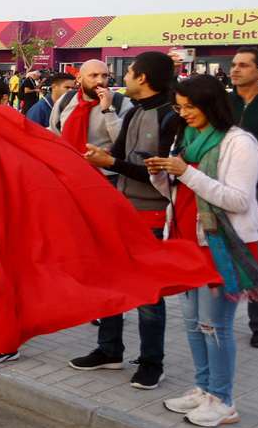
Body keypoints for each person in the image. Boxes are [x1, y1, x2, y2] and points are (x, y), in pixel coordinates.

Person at [147, 75, 258, 427]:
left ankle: (224, 400)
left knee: (217, 326)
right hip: (187, 242)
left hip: (220, 245)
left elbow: (239, 200)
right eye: (179, 107)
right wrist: (161, 174)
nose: (184, 114)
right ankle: (203, 388)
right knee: (193, 323)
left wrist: (185, 172)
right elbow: (178, 192)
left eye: (190, 107)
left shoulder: (239, 143)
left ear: (210, 104)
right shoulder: (190, 139)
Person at [70, 52, 182, 389]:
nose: (123, 77)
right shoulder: (133, 113)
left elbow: (161, 174)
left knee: (148, 292)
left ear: (143, 78)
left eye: (129, 71)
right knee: (111, 282)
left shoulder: (170, 117)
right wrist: (99, 159)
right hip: (120, 210)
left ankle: (151, 362)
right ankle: (109, 349)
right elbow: (118, 155)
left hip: (152, 216)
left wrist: (110, 162)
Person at [229, 47, 258, 349]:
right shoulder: (222, 105)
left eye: (243, 65)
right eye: (234, 64)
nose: (235, 70)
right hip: (222, 191)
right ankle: (213, 318)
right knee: (218, 257)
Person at [49, 59, 132, 185]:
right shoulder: (66, 100)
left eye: (104, 76)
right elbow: (55, 133)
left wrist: (108, 110)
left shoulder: (122, 103)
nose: (100, 81)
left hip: (108, 178)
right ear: (79, 78)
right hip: (69, 174)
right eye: (93, 75)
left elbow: (126, 143)